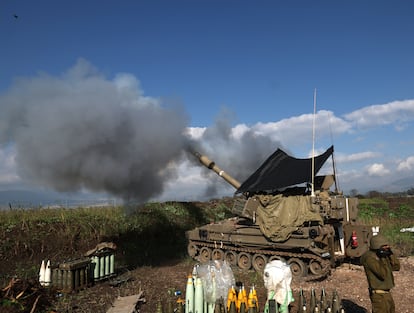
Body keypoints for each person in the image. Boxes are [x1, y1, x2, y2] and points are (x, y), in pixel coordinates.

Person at [360, 234, 400, 313]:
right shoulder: (370, 258)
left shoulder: (382, 255)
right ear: (377, 246)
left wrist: (390, 254)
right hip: (379, 295)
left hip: (387, 293)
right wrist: (382, 258)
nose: (386, 248)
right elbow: (382, 274)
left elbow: (396, 267)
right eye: (384, 246)